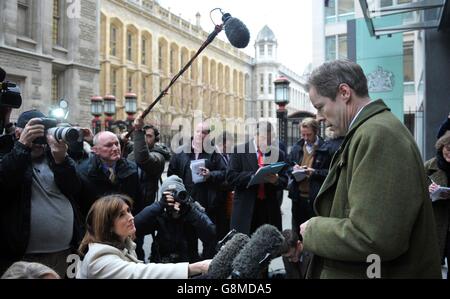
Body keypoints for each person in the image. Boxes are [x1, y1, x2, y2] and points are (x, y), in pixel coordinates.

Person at [300, 59, 441, 278]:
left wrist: (314, 230)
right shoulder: (370, 131)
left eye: (320, 106)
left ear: (344, 92)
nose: (318, 117)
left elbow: (375, 238)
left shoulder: (378, 135)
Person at [0, 110, 83, 278]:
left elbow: (75, 189)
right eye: (35, 135)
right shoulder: (8, 154)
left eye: (43, 136)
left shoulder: (55, 157)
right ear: (19, 132)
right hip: (25, 258)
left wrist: (62, 159)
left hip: (67, 253)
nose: (40, 143)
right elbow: (4, 181)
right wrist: (22, 146)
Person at [76, 194, 210, 279]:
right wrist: (196, 267)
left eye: (129, 211)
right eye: (122, 215)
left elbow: (210, 230)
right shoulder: (99, 260)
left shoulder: (124, 244)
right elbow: (141, 273)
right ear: (108, 225)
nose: (131, 217)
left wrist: (190, 209)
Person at [167, 122, 224, 260]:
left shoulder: (214, 153)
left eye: (204, 132)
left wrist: (210, 174)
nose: (200, 135)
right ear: (194, 132)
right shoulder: (181, 152)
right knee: (188, 242)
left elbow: (224, 173)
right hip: (186, 204)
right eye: (198, 131)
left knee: (210, 242)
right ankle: (192, 272)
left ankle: (208, 272)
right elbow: (171, 176)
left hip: (208, 205)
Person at [134, 175, 216, 263]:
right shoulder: (159, 212)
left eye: (177, 193)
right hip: (162, 263)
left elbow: (210, 233)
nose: (174, 198)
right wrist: (159, 205)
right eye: (169, 194)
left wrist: (189, 210)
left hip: (188, 264)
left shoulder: (191, 209)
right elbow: (136, 227)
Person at [227, 121, 288, 236]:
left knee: (268, 248)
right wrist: (252, 176)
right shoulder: (239, 150)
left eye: (270, 140)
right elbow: (230, 177)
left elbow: (285, 180)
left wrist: (276, 180)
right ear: (256, 135)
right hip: (246, 209)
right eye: (264, 139)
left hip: (268, 210)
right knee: (244, 247)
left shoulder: (278, 154)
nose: (267, 143)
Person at [287, 118, 337, 236]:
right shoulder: (297, 148)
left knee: (314, 234)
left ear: (316, 132)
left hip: (315, 200)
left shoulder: (326, 149)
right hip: (298, 199)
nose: (305, 138)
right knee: (298, 234)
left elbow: (332, 173)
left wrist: (314, 172)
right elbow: (287, 167)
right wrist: (293, 170)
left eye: (308, 134)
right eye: (303, 134)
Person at [128, 115, 171, 207]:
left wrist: (139, 131)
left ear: (155, 140)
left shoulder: (159, 157)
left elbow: (143, 159)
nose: (144, 139)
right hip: (128, 202)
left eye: (148, 136)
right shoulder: (133, 150)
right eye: (143, 136)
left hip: (145, 205)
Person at [424, 131, 450, 279]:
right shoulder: (428, 166)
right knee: (432, 266)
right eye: (448, 148)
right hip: (436, 223)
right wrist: (428, 192)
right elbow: (415, 193)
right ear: (441, 146)